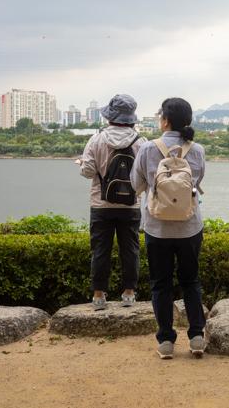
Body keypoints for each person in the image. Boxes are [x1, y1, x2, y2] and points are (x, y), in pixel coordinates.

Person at [130, 97, 207, 360]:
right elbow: (197, 181)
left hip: (156, 227)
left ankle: (165, 340)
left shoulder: (148, 149)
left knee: (161, 284)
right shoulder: (197, 150)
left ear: (164, 120)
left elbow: (135, 183)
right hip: (189, 226)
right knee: (191, 281)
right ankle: (196, 336)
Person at [77, 94, 145, 311]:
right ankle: (129, 293)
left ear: (109, 117)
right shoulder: (141, 142)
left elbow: (88, 171)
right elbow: (146, 175)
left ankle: (98, 296)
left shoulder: (96, 139)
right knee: (131, 249)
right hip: (131, 205)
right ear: (131, 118)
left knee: (100, 250)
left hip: (101, 204)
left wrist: (81, 164)